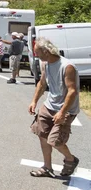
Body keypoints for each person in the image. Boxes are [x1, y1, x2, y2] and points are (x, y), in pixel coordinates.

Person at [28, 37, 80, 178]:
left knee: (55, 141)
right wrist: (34, 101)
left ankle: (70, 159)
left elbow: (72, 91)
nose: (36, 55)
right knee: (42, 136)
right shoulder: (46, 64)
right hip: (49, 105)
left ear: (46, 51)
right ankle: (47, 167)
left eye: (37, 52)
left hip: (66, 109)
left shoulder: (67, 66)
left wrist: (62, 112)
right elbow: (42, 84)